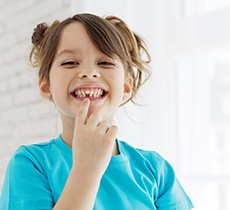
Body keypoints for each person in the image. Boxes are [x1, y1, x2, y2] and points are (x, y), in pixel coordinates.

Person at [0, 13, 193, 210]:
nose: (89, 72)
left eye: (105, 62)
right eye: (70, 63)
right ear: (45, 85)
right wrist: (86, 169)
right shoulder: (30, 164)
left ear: (126, 88)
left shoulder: (155, 169)